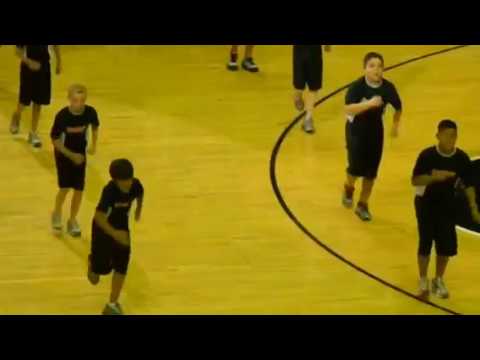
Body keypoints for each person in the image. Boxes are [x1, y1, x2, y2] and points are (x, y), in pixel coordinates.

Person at [412, 119, 480, 299]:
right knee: (425, 242)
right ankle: (423, 280)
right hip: (426, 204)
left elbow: (469, 184)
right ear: (438, 136)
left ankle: (438, 279)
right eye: (448, 135)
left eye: (454, 135)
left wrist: (473, 207)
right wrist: (434, 177)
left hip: (448, 206)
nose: (451, 139)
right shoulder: (427, 156)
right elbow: (415, 180)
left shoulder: (461, 158)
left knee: (445, 245)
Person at [341, 52, 403, 221]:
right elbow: (347, 109)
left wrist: (395, 125)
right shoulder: (357, 87)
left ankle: (362, 204)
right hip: (356, 130)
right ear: (365, 69)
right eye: (372, 65)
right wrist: (368, 104)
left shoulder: (388, 88)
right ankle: (348, 188)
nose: (376, 69)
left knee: (371, 172)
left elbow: (398, 107)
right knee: (355, 167)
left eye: (379, 66)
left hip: (375, 131)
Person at [88, 159, 144, 315]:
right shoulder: (109, 191)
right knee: (99, 273)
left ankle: (112, 303)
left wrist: (138, 210)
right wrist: (114, 234)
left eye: (130, 179)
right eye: (124, 181)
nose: (128, 183)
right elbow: (99, 217)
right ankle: (93, 263)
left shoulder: (136, 185)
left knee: (122, 265)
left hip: (122, 228)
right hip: (102, 231)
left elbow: (140, 194)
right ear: (115, 180)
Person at [50, 84, 99, 237]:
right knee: (64, 188)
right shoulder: (62, 116)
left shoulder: (90, 112)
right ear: (69, 99)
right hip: (63, 156)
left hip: (80, 155)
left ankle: (72, 220)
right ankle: (57, 212)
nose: (79, 104)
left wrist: (93, 145)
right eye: (76, 100)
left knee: (79, 189)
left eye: (82, 100)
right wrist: (71, 156)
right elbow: (55, 140)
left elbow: (95, 126)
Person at [9, 45, 62, 148]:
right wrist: (29, 62)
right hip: (27, 68)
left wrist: (59, 62)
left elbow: (56, 46)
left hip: (44, 68)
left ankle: (33, 133)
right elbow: (18, 51)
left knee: (38, 102)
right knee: (23, 101)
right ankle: (16, 115)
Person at [292, 45, 331, 134]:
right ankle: (297, 96)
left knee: (314, 86)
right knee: (299, 86)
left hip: (315, 51)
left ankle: (308, 118)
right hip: (299, 51)